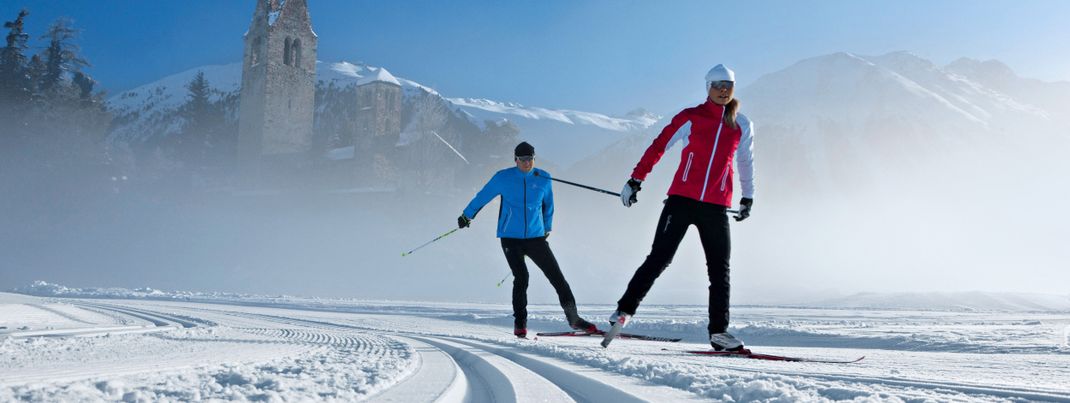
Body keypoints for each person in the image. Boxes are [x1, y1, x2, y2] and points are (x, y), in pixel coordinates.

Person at [607, 64, 755, 351]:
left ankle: (719, 332)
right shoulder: (691, 117)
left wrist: (747, 197)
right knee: (660, 258)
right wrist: (636, 180)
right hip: (681, 200)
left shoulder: (742, 125)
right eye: (717, 85)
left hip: (716, 206)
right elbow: (659, 146)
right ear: (708, 87)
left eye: (728, 86)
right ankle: (624, 310)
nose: (723, 90)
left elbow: (746, 161)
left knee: (719, 270)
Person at [458, 141, 598, 338]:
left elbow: (548, 206)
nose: (527, 163)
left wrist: (546, 227)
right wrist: (467, 215)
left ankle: (574, 319)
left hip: (536, 238)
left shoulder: (543, 178)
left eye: (530, 159)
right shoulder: (503, 177)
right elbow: (483, 196)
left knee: (557, 278)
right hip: (510, 238)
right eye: (523, 159)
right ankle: (520, 324)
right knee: (522, 278)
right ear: (515, 159)